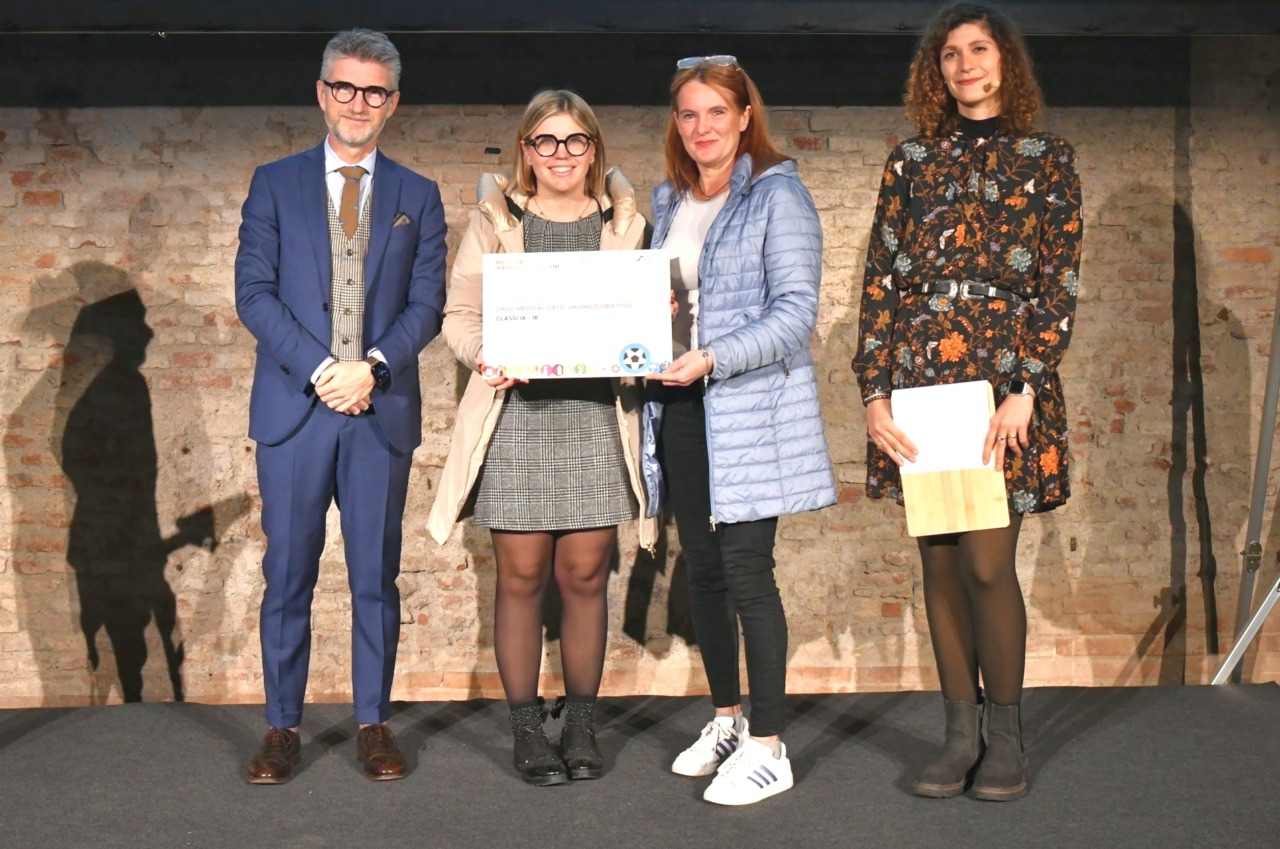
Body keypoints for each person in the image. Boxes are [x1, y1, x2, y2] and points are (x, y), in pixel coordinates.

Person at [853, 3, 1083, 801]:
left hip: (1002, 382)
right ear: (936, 71)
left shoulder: (1046, 158)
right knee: (940, 563)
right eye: (949, 54)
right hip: (920, 378)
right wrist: (874, 392)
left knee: (988, 562)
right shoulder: (911, 161)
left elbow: (1059, 282)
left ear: (1004, 63)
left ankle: (1006, 737)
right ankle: (957, 735)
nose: (964, 65)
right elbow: (879, 279)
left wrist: (1026, 385)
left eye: (978, 50)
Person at [235, 28, 447, 784]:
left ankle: (372, 723)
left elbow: (428, 303)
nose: (360, 103)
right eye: (346, 88)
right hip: (296, 410)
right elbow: (253, 294)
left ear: (393, 104)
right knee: (287, 572)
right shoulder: (274, 183)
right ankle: (282, 728)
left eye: (376, 91)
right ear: (323, 93)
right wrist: (327, 368)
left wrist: (375, 370)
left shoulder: (417, 195)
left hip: (377, 413)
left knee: (374, 578)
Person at [426, 90, 654, 785]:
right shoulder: (494, 220)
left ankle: (581, 723)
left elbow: (645, 316)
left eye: (575, 140)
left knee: (585, 576)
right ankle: (528, 729)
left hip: (593, 416)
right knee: (521, 579)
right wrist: (481, 352)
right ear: (525, 150)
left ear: (595, 149)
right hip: (516, 418)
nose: (561, 154)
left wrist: (654, 327)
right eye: (546, 141)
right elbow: (458, 312)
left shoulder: (627, 224)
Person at [642, 56, 836, 806]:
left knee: (750, 572)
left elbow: (794, 316)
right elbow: (666, 300)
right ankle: (726, 717)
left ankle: (768, 744)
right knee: (706, 573)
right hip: (684, 408)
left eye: (716, 114)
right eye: (688, 115)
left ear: (745, 116)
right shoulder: (669, 199)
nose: (701, 129)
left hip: (752, 411)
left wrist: (713, 356)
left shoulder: (778, 196)